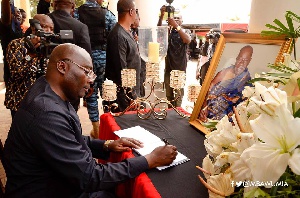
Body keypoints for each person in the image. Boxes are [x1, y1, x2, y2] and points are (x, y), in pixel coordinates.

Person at [2, 43, 178, 197]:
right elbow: (90, 177)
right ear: (62, 67)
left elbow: (67, 139)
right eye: (87, 71)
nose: (90, 80)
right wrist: (150, 160)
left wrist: (106, 145)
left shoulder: (45, 89)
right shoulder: (46, 114)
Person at [76, 0, 117, 139]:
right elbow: (115, 36)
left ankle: (96, 129)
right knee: (107, 92)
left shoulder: (77, 13)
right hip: (105, 59)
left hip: (86, 60)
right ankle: (109, 126)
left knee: (91, 94)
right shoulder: (107, 14)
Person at [4, 14, 54, 119]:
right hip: (21, 104)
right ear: (33, 27)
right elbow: (16, 73)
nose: (49, 31)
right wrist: (30, 55)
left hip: (44, 104)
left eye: (51, 28)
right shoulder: (17, 45)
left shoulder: (52, 48)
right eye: (45, 27)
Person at [48, 0, 92, 111]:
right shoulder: (80, 27)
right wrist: (89, 84)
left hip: (45, 83)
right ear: (73, 7)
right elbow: (87, 59)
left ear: (53, 5)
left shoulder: (42, 23)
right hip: (71, 84)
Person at [199, 45, 253, 122]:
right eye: (240, 58)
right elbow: (208, 90)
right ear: (237, 58)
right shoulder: (224, 72)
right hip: (206, 115)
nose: (241, 63)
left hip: (223, 124)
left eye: (245, 60)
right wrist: (204, 109)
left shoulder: (247, 84)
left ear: (249, 61)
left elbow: (241, 110)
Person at [105, 0, 141, 112]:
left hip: (131, 91)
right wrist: (131, 95)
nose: (136, 14)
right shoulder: (118, 35)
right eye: (135, 10)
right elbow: (122, 69)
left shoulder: (127, 32)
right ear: (131, 12)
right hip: (123, 96)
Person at [157, 6, 191, 108]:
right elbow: (158, 31)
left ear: (182, 21)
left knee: (178, 96)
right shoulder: (168, 31)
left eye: (178, 19)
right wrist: (161, 16)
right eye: (174, 18)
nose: (175, 20)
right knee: (169, 95)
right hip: (168, 69)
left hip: (180, 70)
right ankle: (170, 117)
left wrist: (176, 26)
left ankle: (178, 115)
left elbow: (187, 40)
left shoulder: (185, 32)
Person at [0, 0, 23, 86]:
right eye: (14, 12)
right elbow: (6, 16)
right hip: (12, 73)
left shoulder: (21, 30)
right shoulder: (6, 28)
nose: (18, 14)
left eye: (19, 12)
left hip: (23, 71)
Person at [130, 9, 146, 98]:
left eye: (135, 19)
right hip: (131, 67)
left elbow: (149, 48)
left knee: (141, 90)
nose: (132, 22)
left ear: (139, 19)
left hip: (141, 66)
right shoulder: (128, 31)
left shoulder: (144, 32)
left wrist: (139, 41)